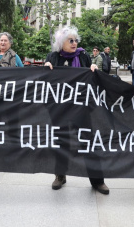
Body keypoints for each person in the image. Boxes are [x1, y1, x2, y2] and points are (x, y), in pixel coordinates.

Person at [45, 26, 109, 195]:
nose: (74, 43)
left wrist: (94, 71)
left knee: (88, 142)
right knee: (61, 142)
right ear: (61, 43)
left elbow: (91, 77)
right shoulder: (53, 57)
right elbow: (45, 81)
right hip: (59, 109)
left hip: (81, 108)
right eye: (70, 40)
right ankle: (60, 175)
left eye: (75, 40)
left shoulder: (83, 55)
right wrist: (45, 68)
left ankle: (97, 181)